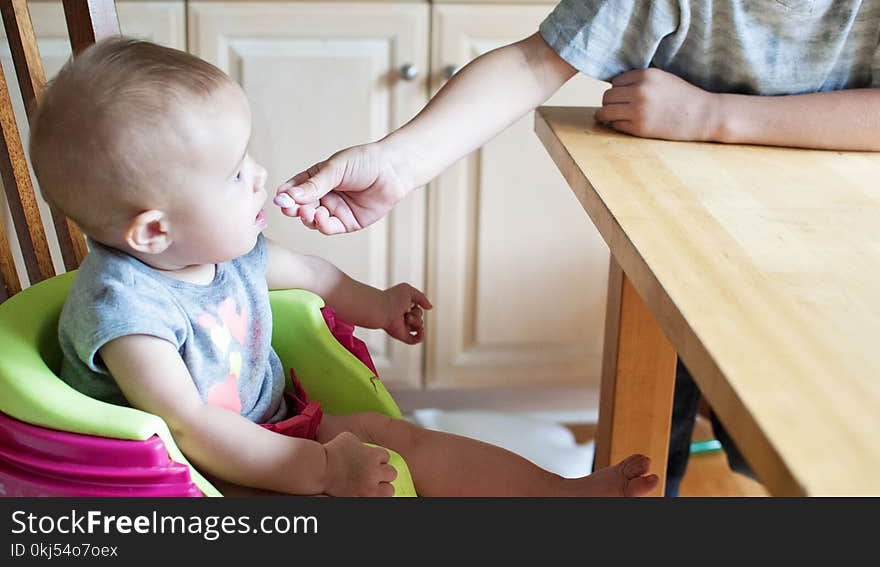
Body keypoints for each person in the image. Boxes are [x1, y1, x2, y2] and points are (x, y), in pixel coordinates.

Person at [273, 0, 880, 495]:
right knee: (651, 440)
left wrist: (712, 115)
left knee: (802, 444)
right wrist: (399, 162)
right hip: (684, 244)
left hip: (840, 257)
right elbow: (538, 60)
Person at [29, 37, 658, 497]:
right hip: (187, 481)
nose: (260, 177)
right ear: (155, 230)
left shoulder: (221, 252)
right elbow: (190, 429)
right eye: (233, 175)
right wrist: (324, 471)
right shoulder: (130, 316)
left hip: (273, 425)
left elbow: (317, 276)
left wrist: (379, 305)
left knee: (400, 439)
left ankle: (560, 495)